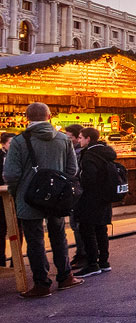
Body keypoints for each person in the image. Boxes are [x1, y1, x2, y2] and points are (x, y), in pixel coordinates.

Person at [3, 102, 83, 298]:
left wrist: (17, 192)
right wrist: (58, 187)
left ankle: (41, 283)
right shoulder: (64, 140)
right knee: (58, 236)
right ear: (49, 117)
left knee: (35, 240)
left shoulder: (19, 141)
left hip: (28, 198)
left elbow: (11, 174)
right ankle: (65, 276)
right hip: (57, 199)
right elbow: (72, 170)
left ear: (27, 118)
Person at [72, 128, 116, 279]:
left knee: (87, 230)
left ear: (88, 139)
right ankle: (104, 262)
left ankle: (92, 264)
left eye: (81, 137)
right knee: (101, 230)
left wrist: (79, 182)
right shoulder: (106, 152)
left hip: (91, 198)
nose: (79, 140)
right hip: (105, 198)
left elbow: (89, 179)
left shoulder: (89, 155)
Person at [63, 124, 87, 269]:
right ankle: (82, 253)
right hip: (77, 191)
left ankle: (83, 254)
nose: (67, 138)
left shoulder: (78, 153)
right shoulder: (74, 150)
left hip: (78, 192)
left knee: (77, 225)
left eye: (69, 136)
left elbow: (74, 171)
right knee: (76, 225)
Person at [0, 133, 12, 268]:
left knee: (17, 229)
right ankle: (1, 261)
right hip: (2, 197)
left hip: (13, 196)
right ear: (3, 144)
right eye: (10, 144)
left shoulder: (17, 157)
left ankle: (16, 261)